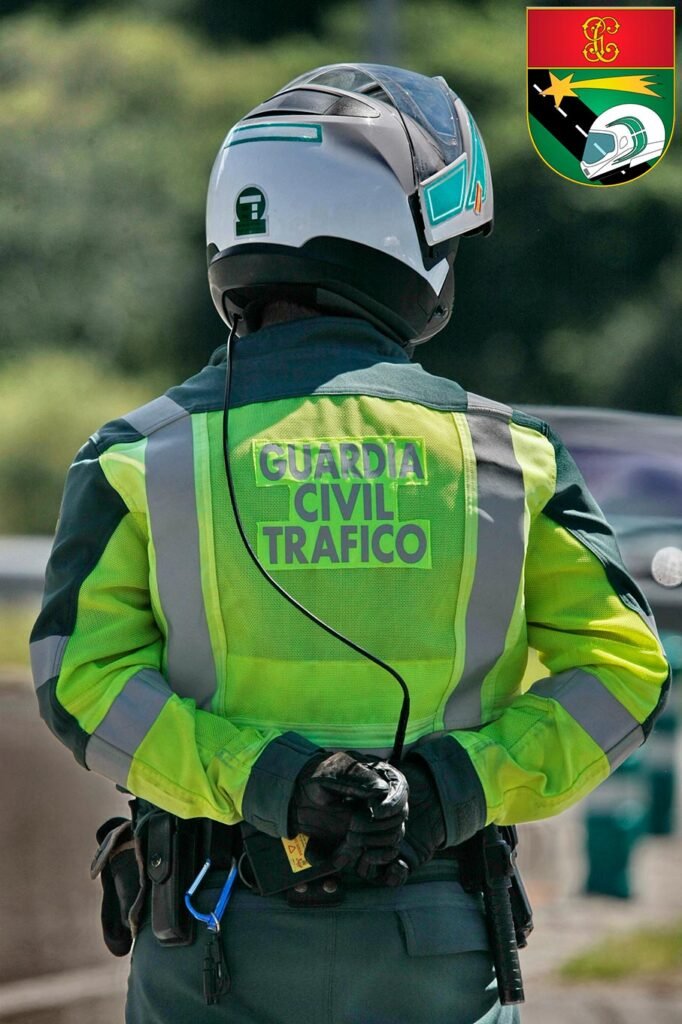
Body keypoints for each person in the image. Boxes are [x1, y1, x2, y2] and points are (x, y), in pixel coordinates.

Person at [31, 64, 669, 1024]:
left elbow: (80, 682)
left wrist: (275, 782)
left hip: (213, 941)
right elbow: (624, 673)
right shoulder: (508, 454)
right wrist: (452, 787)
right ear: (398, 240)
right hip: (438, 944)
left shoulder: (139, 458)